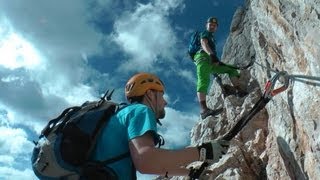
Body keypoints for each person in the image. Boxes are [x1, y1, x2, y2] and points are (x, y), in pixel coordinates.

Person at [92, 72, 230, 180]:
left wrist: (189, 172)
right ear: (150, 94)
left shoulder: (121, 115)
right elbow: (146, 160)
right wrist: (203, 152)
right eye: (162, 95)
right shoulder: (141, 110)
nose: (165, 103)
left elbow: (153, 163)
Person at [193, 17, 245, 119]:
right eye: (210, 24)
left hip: (211, 61)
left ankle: (238, 91)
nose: (212, 26)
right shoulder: (205, 33)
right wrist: (211, 55)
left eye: (214, 25)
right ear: (206, 25)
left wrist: (215, 60)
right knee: (203, 81)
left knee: (231, 69)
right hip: (203, 58)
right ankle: (204, 110)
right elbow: (204, 43)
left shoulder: (212, 38)